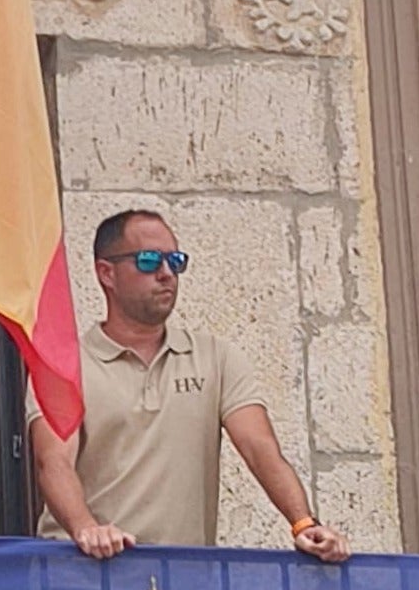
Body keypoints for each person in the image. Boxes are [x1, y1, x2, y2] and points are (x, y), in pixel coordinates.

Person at [31, 208, 348, 561]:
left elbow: (261, 449)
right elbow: (54, 462)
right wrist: (86, 529)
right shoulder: (62, 365)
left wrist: (303, 524)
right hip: (83, 573)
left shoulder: (217, 357)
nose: (166, 274)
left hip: (181, 581)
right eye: (149, 261)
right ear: (107, 273)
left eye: (175, 261)